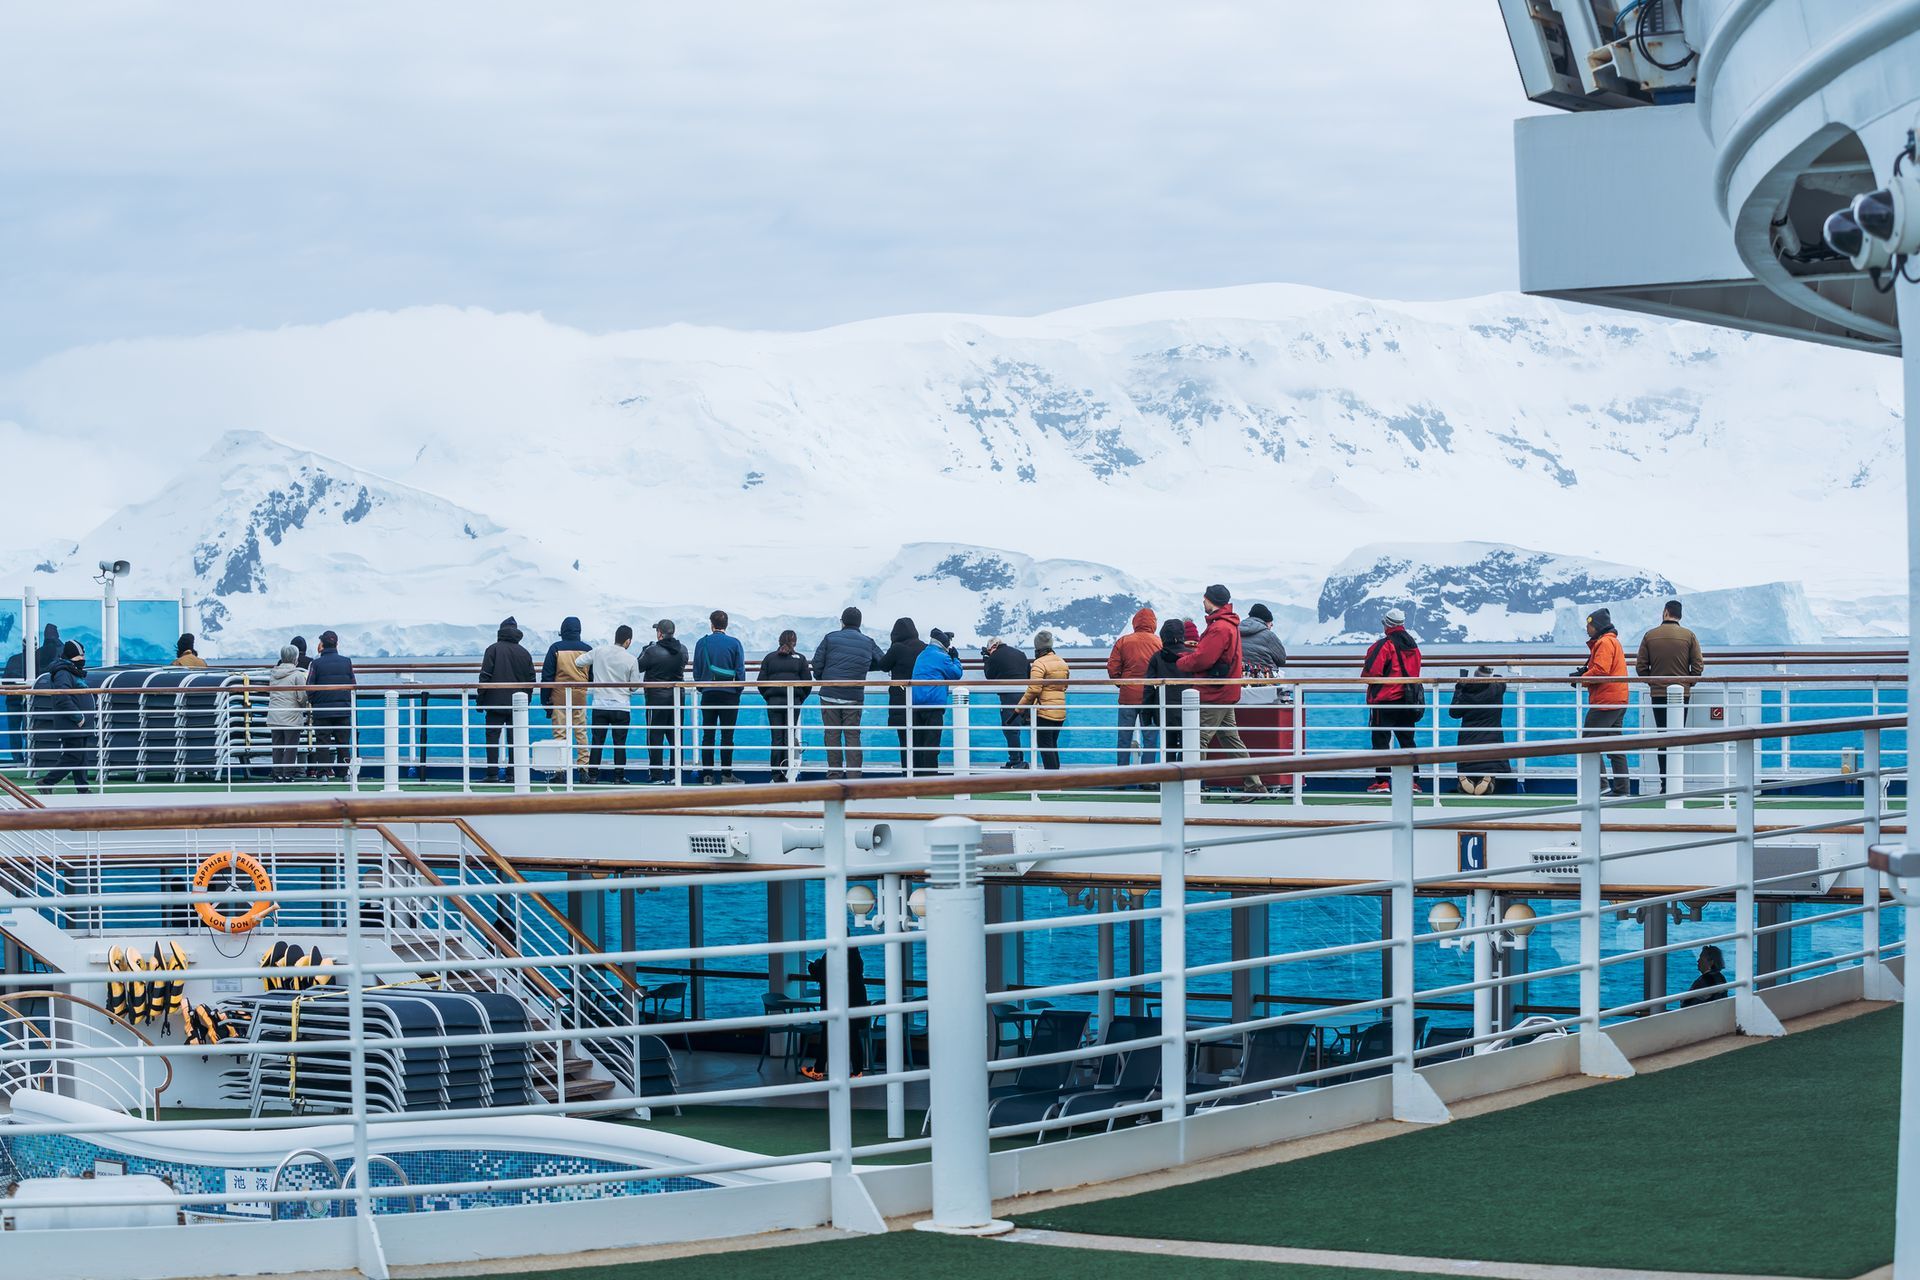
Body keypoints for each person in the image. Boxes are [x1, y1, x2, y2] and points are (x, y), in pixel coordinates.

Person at [1176, 584, 1268, 797]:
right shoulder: (1229, 625)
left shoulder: (1219, 628)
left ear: (1210, 600)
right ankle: (1254, 784)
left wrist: (1182, 662)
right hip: (1226, 690)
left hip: (1214, 692)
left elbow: (1203, 659)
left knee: (1197, 738)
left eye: (1205, 599)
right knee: (1230, 738)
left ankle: (1190, 788)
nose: (1203, 602)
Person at [1636, 599, 1706, 793]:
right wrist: (1688, 682)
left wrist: (1653, 682)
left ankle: (1665, 785)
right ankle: (1677, 783)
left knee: (1662, 738)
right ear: (1679, 615)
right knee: (1676, 737)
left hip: (1658, 693)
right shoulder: (1689, 636)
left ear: (1665, 612)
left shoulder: (1650, 636)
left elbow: (1641, 667)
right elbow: (1698, 665)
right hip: (1682, 693)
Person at [812, 608, 884, 780]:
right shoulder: (868, 641)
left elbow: (817, 663)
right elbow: (883, 661)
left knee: (832, 735)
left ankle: (834, 776)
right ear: (859, 623)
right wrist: (864, 666)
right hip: (853, 696)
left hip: (829, 694)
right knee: (852, 736)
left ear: (842, 622)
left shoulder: (830, 638)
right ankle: (854, 777)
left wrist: (824, 678)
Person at [1362, 608, 1424, 793]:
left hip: (1386, 700)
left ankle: (1382, 782)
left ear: (1386, 624)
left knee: (1381, 741)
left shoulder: (1384, 645)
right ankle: (1412, 781)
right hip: (1409, 700)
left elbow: (1372, 671)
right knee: (1407, 741)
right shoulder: (1413, 646)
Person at [1573, 607, 1631, 797]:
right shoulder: (1612, 641)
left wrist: (1581, 679)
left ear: (1597, 626)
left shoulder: (1605, 643)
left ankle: (1601, 785)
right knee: (1615, 745)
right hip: (1617, 699)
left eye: (1589, 625)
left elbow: (1601, 671)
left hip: (1606, 701)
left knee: (1588, 742)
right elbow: (1601, 668)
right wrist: (1584, 673)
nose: (1587, 629)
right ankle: (1622, 789)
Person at [579, 624, 640, 784]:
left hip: (600, 705)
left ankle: (592, 776)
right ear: (628, 641)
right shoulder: (631, 659)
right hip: (621, 706)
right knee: (619, 743)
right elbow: (634, 686)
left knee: (597, 741)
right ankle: (619, 777)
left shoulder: (599, 651)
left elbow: (579, 661)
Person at [1238, 603, 1291, 786]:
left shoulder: (1235, 631)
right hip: (1266, 690)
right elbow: (1281, 659)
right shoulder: (1268, 635)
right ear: (1267, 622)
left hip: (1238, 690)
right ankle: (1272, 777)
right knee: (1268, 730)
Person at [476, 616, 533, 783]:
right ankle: (512, 774)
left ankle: (492, 774)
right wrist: (526, 702)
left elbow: (485, 677)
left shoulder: (492, 650)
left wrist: (481, 701)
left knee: (492, 736)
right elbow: (531, 681)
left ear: (500, 631)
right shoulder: (525, 653)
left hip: (494, 702)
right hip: (517, 704)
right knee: (515, 739)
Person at [692, 610, 746, 785]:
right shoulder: (735, 643)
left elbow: (697, 671)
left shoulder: (702, 643)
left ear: (711, 624)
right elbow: (740, 672)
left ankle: (707, 775)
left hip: (708, 694)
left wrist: (703, 688)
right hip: (729, 695)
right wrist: (736, 691)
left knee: (708, 735)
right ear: (726, 624)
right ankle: (726, 774)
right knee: (727, 736)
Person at [800, 945, 868, 1078]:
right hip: (855, 1004)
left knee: (826, 1036)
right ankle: (857, 1071)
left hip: (835, 1002)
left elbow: (821, 974)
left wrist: (814, 966)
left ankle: (818, 1070)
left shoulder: (831, 955)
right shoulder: (856, 957)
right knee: (854, 1037)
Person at [35, 639, 93, 794]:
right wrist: (78, 717)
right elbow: (62, 698)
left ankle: (83, 789)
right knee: (73, 756)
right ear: (70, 657)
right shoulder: (63, 672)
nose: (82, 660)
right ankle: (46, 782)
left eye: (82, 657)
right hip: (73, 724)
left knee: (81, 757)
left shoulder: (71, 670)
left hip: (79, 724)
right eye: (78, 657)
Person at [1106, 607, 1159, 770]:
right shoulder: (1159, 642)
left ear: (1135, 622)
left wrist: (1121, 683)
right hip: (1150, 697)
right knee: (1150, 738)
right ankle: (1148, 776)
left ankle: (1122, 776)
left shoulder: (1123, 641)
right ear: (1154, 623)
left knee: (1124, 737)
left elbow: (1112, 668)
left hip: (1127, 696)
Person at [635, 620, 688, 783]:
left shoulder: (652, 651)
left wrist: (645, 650)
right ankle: (675, 775)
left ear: (659, 632)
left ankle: (656, 775)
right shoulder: (683, 650)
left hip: (656, 699)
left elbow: (638, 666)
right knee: (675, 736)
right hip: (677, 698)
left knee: (655, 736)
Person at [756, 631, 812, 781]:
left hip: (774, 702)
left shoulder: (769, 658)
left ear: (779, 641)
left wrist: (769, 696)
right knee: (789, 737)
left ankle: (776, 774)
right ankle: (788, 770)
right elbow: (808, 683)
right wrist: (800, 697)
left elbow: (760, 682)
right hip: (793, 703)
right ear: (795, 642)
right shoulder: (800, 659)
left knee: (777, 738)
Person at [1448, 666, 1510, 794]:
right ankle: (1487, 778)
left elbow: (1454, 713)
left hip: (1467, 739)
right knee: (1490, 763)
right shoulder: (1496, 688)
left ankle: (1464, 779)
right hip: (1491, 738)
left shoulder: (1465, 692)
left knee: (1467, 764)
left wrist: (1459, 687)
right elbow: (1501, 679)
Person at [876, 618, 927, 774]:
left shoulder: (897, 648)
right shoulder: (924, 647)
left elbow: (883, 665)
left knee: (906, 742)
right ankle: (924, 776)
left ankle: (908, 775)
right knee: (923, 741)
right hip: (923, 701)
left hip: (901, 702)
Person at [540, 616, 592, 769]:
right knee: (581, 734)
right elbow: (592, 676)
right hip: (580, 697)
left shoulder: (555, 648)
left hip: (559, 698)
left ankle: (561, 770)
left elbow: (547, 676)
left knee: (560, 735)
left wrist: (545, 701)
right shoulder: (587, 649)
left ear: (562, 631)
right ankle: (584, 769)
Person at [909, 628, 963, 776]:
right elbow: (956, 674)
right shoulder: (941, 657)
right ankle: (931, 778)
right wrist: (956, 659)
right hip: (933, 704)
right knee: (932, 743)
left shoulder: (922, 654)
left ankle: (917, 776)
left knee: (918, 742)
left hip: (916, 704)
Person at [307, 631, 357, 781]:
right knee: (343, 742)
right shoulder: (346, 662)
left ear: (321, 645)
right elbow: (353, 685)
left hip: (322, 710)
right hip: (343, 709)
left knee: (323, 741)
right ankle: (344, 773)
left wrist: (315, 701)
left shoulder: (316, 663)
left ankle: (323, 773)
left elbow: (309, 686)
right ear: (337, 644)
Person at [1018, 630, 1070, 770]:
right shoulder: (1062, 662)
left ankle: (1051, 781)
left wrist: (1019, 708)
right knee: (1052, 744)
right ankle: (1056, 779)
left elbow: (1034, 689)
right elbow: (1065, 685)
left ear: (1037, 647)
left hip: (1044, 710)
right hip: (1060, 710)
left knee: (1045, 746)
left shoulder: (1039, 663)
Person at [1143, 618, 1191, 761]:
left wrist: (1146, 713)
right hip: (1188, 709)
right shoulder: (1192, 656)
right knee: (1187, 746)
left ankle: (1168, 779)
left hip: (1165, 710)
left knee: (1168, 747)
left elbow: (1149, 687)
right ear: (1182, 635)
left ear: (1163, 635)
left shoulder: (1157, 657)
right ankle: (1184, 779)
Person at [982, 637, 1030, 768]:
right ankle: (1018, 759)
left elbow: (989, 675)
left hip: (1009, 696)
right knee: (1016, 728)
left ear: (993, 647)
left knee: (1010, 728)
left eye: (988, 650)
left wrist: (986, 660)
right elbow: (1029, 673)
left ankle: (1016, 762)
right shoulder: (1020, 653)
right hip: (1025, 695)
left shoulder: (995, 656)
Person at [265, 645, 309, 783]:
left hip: (274, 714)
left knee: (277, 747)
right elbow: (301, 697)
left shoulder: (273, 674)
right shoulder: (297, 675)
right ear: (295, 658)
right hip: (291, 716)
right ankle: (287, 774)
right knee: (290, 747)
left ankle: (277, 773)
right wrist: (304, 706)